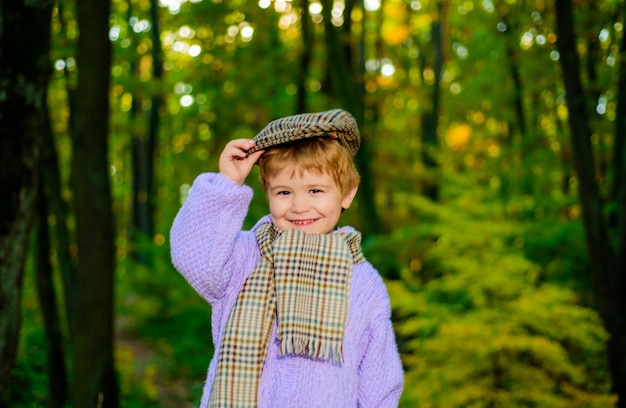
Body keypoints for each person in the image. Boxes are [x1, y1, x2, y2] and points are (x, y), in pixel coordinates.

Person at [170, 109, 404, 408]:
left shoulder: (362, 281)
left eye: (315, 190)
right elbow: (194, 257)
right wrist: (228, 185)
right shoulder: (244, 256)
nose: (299, 206)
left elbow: (379, 382)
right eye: (283, 192)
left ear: (346, 194)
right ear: (267, 194)